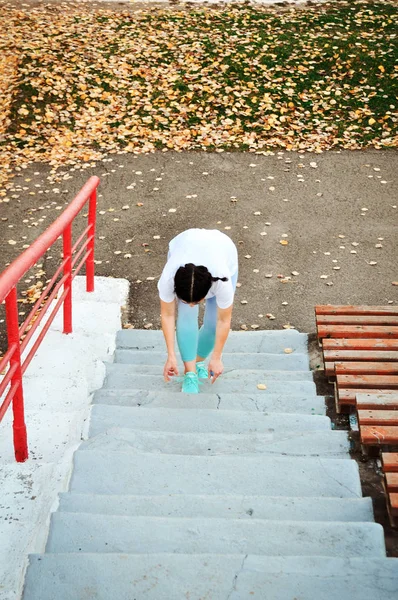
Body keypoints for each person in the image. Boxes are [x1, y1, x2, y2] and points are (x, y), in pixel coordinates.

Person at [157, 228, 239, 394]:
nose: (193, 305)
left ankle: (199, 361)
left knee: (212, 323)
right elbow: (168, 314)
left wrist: (216, 357)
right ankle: (190, 372)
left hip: (224, 249)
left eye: (197, 301)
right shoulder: (168, 277)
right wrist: (170, 355)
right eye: (187, 301)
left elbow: (223, 321)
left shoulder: (222, 280)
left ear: (209, 291)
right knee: (186, 318)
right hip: (184, 244)